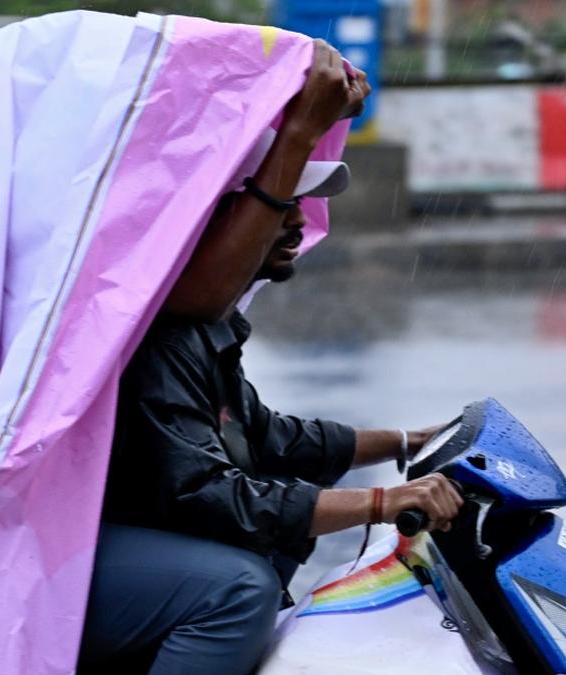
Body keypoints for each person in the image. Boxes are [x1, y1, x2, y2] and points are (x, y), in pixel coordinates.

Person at [78, 40, 464, 674]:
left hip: (123, 547)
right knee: (236, 587)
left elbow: (268, 438)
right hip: (61, 558)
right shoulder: (154, 332)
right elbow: (206, 491)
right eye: (276, 208)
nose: (294, 223)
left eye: (297, 207)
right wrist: (379, 504)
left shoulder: (210, 327)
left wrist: (407, 443)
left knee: (279, 539)